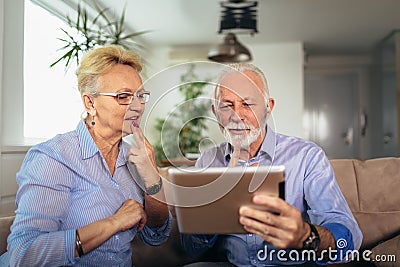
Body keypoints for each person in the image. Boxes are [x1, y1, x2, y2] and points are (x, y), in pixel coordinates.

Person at [181, 63, 362, 266]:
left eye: (247, 104)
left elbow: (350, 237)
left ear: (268, 108)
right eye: (227, 105)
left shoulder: (306, 156)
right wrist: (212, 215)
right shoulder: (207, 161)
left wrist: (305, 236)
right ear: (215, 112)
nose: (236, 115)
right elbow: (191, 248)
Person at [6, 45, 171, 266]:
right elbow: (25, 255)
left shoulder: (134, 159)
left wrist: (152, 177)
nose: (138, 106)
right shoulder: (54, 158)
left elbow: (156, 235)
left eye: (141, 96)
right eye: (124, 96)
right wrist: (114, 222)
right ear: (90, 103)